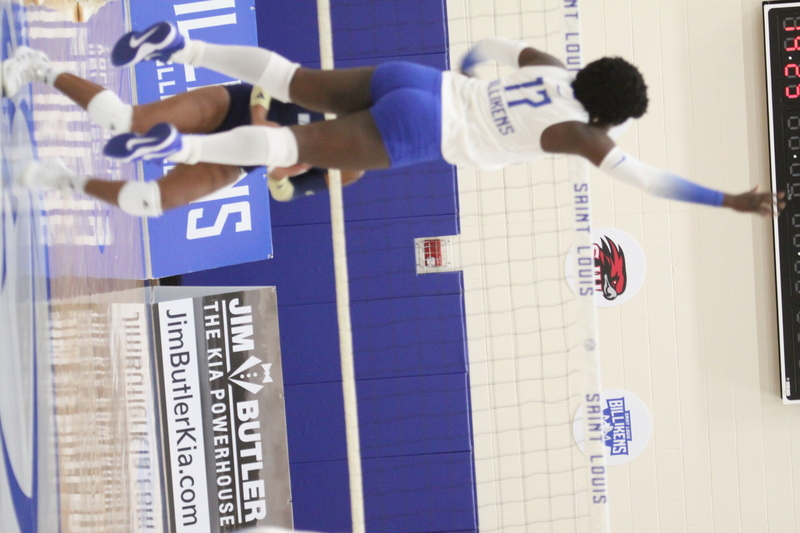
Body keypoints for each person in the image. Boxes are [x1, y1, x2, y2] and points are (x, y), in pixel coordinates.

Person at [101, 21, 785, 218]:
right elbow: (648, 180)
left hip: (422, 81)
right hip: (425, 132)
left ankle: (182, 45)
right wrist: (727, 199)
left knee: (287, 78)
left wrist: (464, 67)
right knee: (290, 144)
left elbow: (490, 48)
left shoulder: (553, 64)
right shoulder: (584, 136)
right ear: (610, 116)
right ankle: (178, 140)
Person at [2, 46, 362, 217]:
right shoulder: (346, 96)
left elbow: (284, 192)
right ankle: (39, 66)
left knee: (149, 201)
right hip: (237, 107)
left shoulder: (350, 167)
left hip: (245, 156)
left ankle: (64, 180)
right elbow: (272, 81)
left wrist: (283, 171)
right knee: (125, 120)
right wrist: (257, 117)